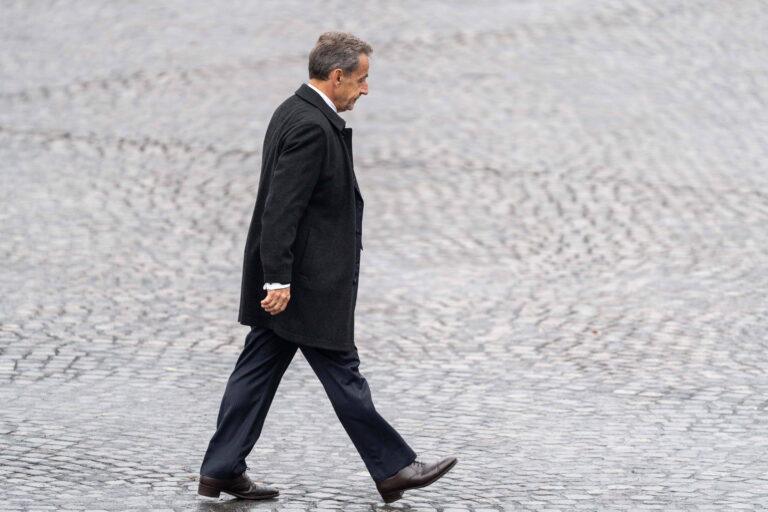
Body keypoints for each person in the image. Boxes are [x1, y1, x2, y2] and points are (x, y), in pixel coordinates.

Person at [197, 31, 457, 504]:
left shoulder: (293, 110)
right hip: (306, 285)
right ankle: (394, 468)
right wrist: (278, 279)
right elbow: (281, 209)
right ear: (337, 76)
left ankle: (221, 469)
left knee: (255, 373)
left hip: (294, 281)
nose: (365, 89)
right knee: (342, 373)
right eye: (361, 79)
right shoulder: (312, 127)